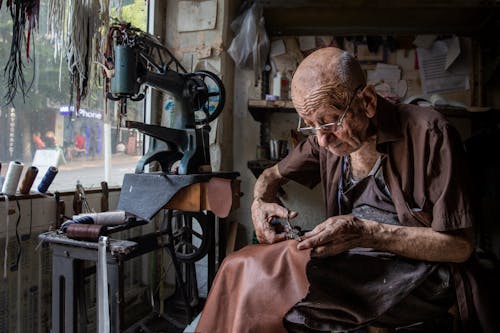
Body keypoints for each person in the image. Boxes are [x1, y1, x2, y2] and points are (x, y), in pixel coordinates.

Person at [195, 47, 498, 333]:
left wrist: (365, 232)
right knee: (239, 266)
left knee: (278, 301)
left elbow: (460, 247)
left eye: (330, 122)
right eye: (310, 126)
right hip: (358, 261)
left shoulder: (430, 133)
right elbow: (271, 175)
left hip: (425, 273)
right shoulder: (324, 140)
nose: (322, 140)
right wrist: (260, 200)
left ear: (367, 101)